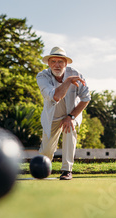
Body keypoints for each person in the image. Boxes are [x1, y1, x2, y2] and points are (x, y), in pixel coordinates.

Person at [36, 46, 91, 180]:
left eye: (60, 62)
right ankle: (43, 168)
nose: (57, 65)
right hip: (52, 116)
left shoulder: (77, 75)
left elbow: (86, 98)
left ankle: (67, 170)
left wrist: (71, 116)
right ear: (48, 64)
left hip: (71, 113)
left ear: (66, 63)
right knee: (46, 151)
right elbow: (56, 97)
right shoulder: (42, 76)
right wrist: (67, 82)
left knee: (69, 128)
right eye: (53, 61)